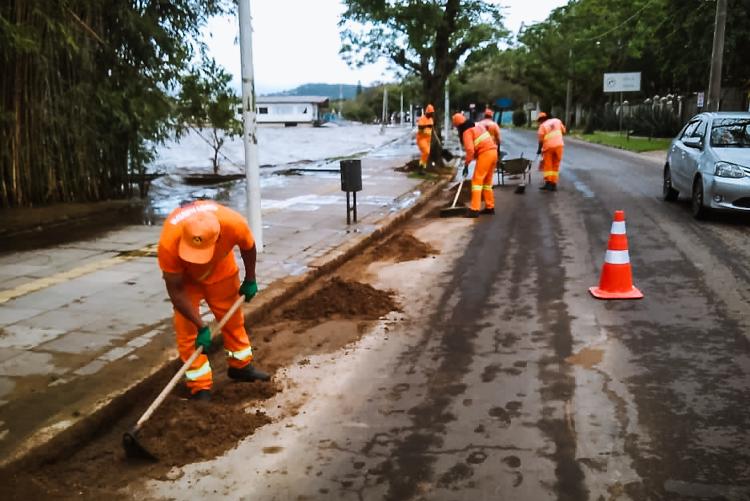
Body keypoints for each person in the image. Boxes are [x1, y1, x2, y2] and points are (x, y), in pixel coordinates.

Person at [157, 200, 270, 402]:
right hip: (186, 281)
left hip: (221, 270)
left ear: (218, 239)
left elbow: (249, 247)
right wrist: (201, 326)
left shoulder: (233, 223)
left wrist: (250, 278)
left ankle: (241, 367)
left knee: (232, 320)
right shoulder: (169, 242)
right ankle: (200, 387)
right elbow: (176, 291)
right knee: (188, 332)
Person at [452, 113, 498, 217]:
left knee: (477, 181)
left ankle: (474, 209)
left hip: (485, 154)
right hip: (493, 153)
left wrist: (467, 164)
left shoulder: (467, 132)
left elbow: (470, 150)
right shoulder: (478, 126)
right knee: (487, 182)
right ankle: (490, 207)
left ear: (458, 126)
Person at [536, 112, 567, 191]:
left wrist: (539, 149)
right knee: (555, 165)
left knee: (548, 165)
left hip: (548, 148)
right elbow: (564, 131)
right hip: (559, 146)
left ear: (540, 120)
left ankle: (548, 184)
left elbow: (540, 141)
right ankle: (553, 184)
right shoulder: (557, 121)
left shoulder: (542, 126)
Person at [416, 104, 435, 171]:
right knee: (426, 152)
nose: (432, 114)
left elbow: (432, 128)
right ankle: (421, 167)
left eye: (432, 113)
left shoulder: (431, 119)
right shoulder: (422, 118)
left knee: (426, 154)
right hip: (421, 139)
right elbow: (420, 127)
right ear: (428, 112)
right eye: (431, 113)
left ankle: (422, 167)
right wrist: (427, 126)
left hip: (428, 140)